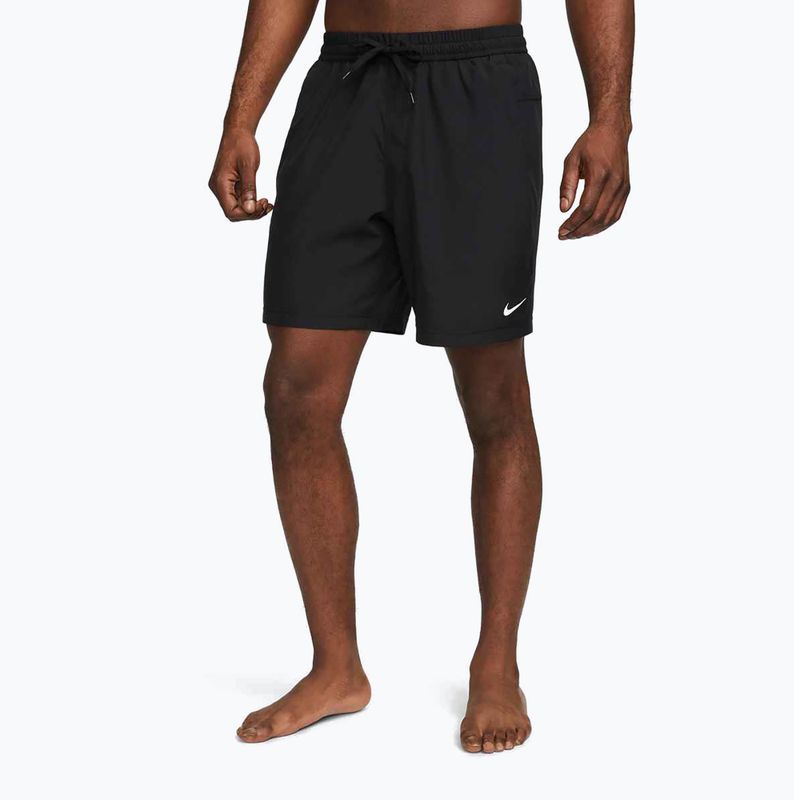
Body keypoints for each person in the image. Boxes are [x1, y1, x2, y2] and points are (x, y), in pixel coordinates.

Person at [209, 0, 633, 754]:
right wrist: (241, 117)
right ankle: (336, 666)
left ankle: (496, 663)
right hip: (345, 84)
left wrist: (611, 119)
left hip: (478, 86)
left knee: (494, 394)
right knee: (295, 391)